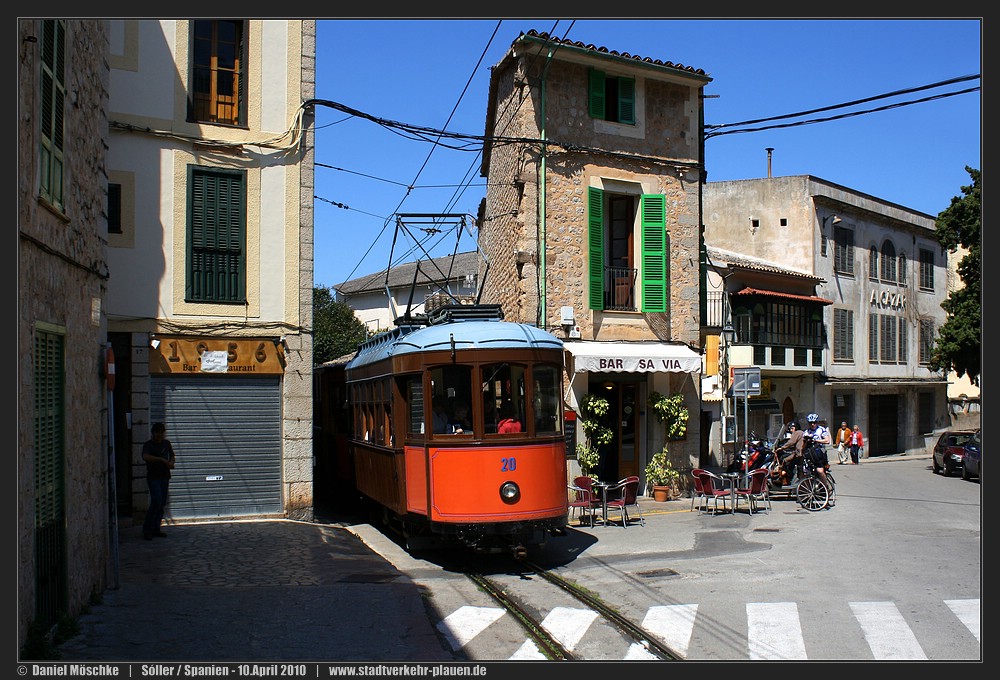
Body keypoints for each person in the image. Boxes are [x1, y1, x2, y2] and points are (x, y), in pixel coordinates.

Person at [142, 422, 175, 540]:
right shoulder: (148, 445)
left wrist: (171, 462)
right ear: (153, 433)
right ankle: (147, 529)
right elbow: (145, 456)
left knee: (161, 504)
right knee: (156, 501)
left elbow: (172, 456)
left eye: (162, 432)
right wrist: (161, 459)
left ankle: (156, 528)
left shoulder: (166, 444)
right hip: (153, 477)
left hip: (164, 476)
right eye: (157, 432)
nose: (160, 435)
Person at [803, 413, 832, 490]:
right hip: (810, 454)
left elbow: (827, 440)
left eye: (814, 423)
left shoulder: (821, 429)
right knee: (805, 471)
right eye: (810, 423)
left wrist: (816, 440)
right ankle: (809, 491)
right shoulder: (806, 432)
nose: (812, 425)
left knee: (819, 471)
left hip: (819, 453)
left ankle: (825, 488)